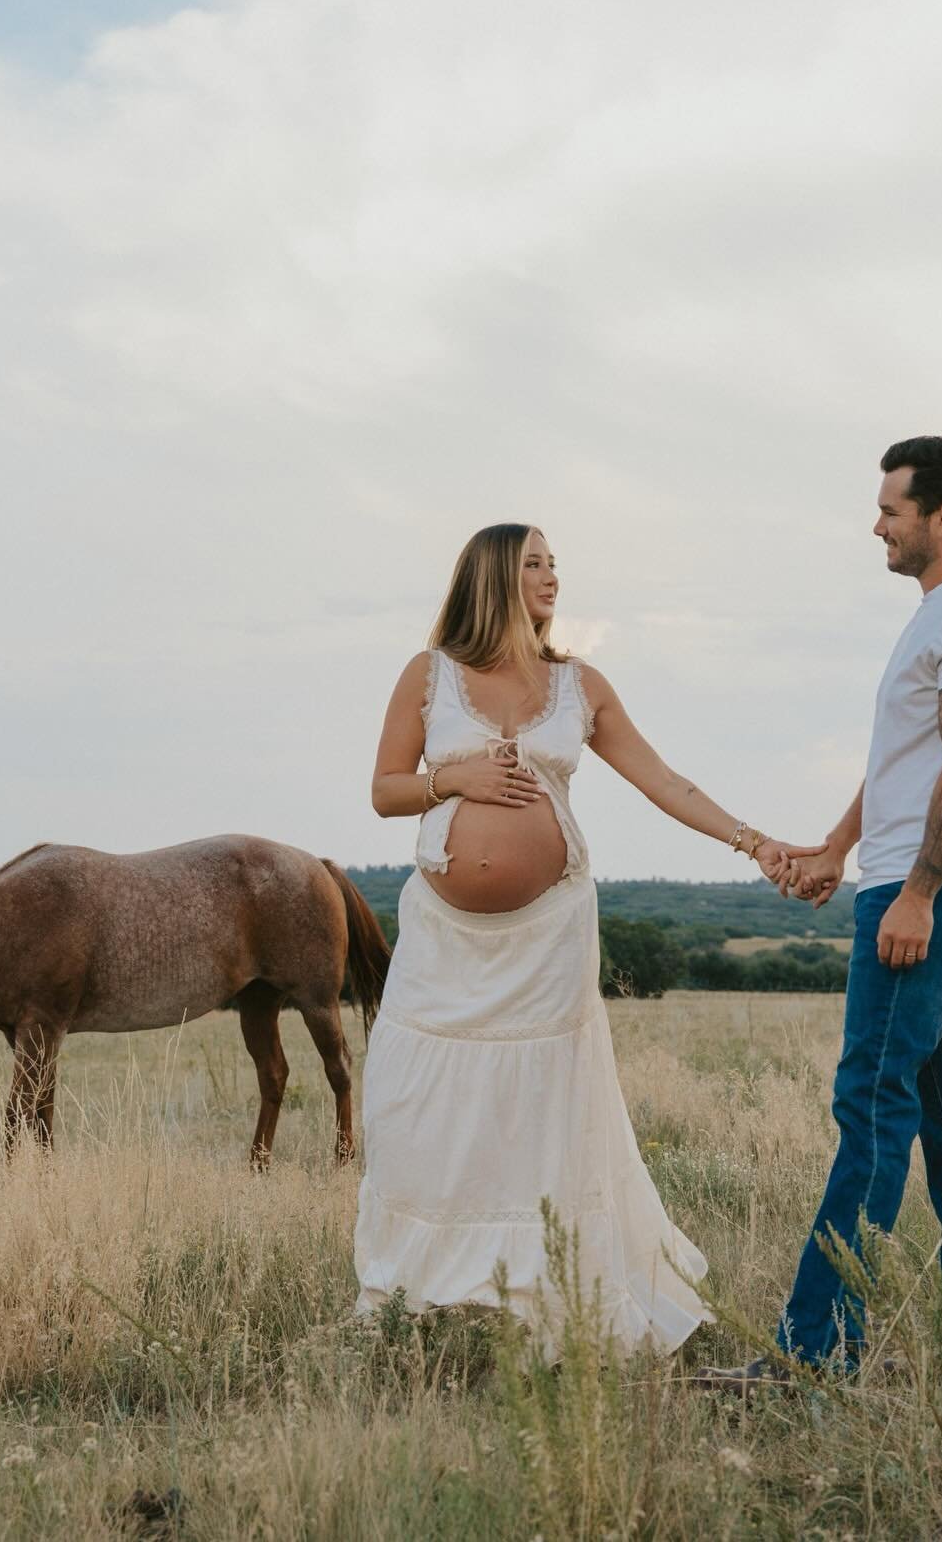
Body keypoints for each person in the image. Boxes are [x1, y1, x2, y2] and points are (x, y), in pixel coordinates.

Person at [354, 522, 821, 1357]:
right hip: (446, 941)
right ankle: (422, 1288)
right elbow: (386, 790)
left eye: (555, 564)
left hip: (549, 939)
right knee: (418, 1100)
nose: (552, 578)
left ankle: (542, 1283)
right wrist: (450, 779)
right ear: (492, 576)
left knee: (541, 1108)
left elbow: (664, 782)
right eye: (534, 564)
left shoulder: (580, 685)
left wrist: (757, 843)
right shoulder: (429, 676)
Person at [704, 435, 942, 1390]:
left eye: (892, 508)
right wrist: (838, 847)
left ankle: (815, 1354)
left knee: (871, 1105)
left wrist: (921, 893)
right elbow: (909, 758)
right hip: (916, 879)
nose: (877, 524)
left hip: (938, 891)